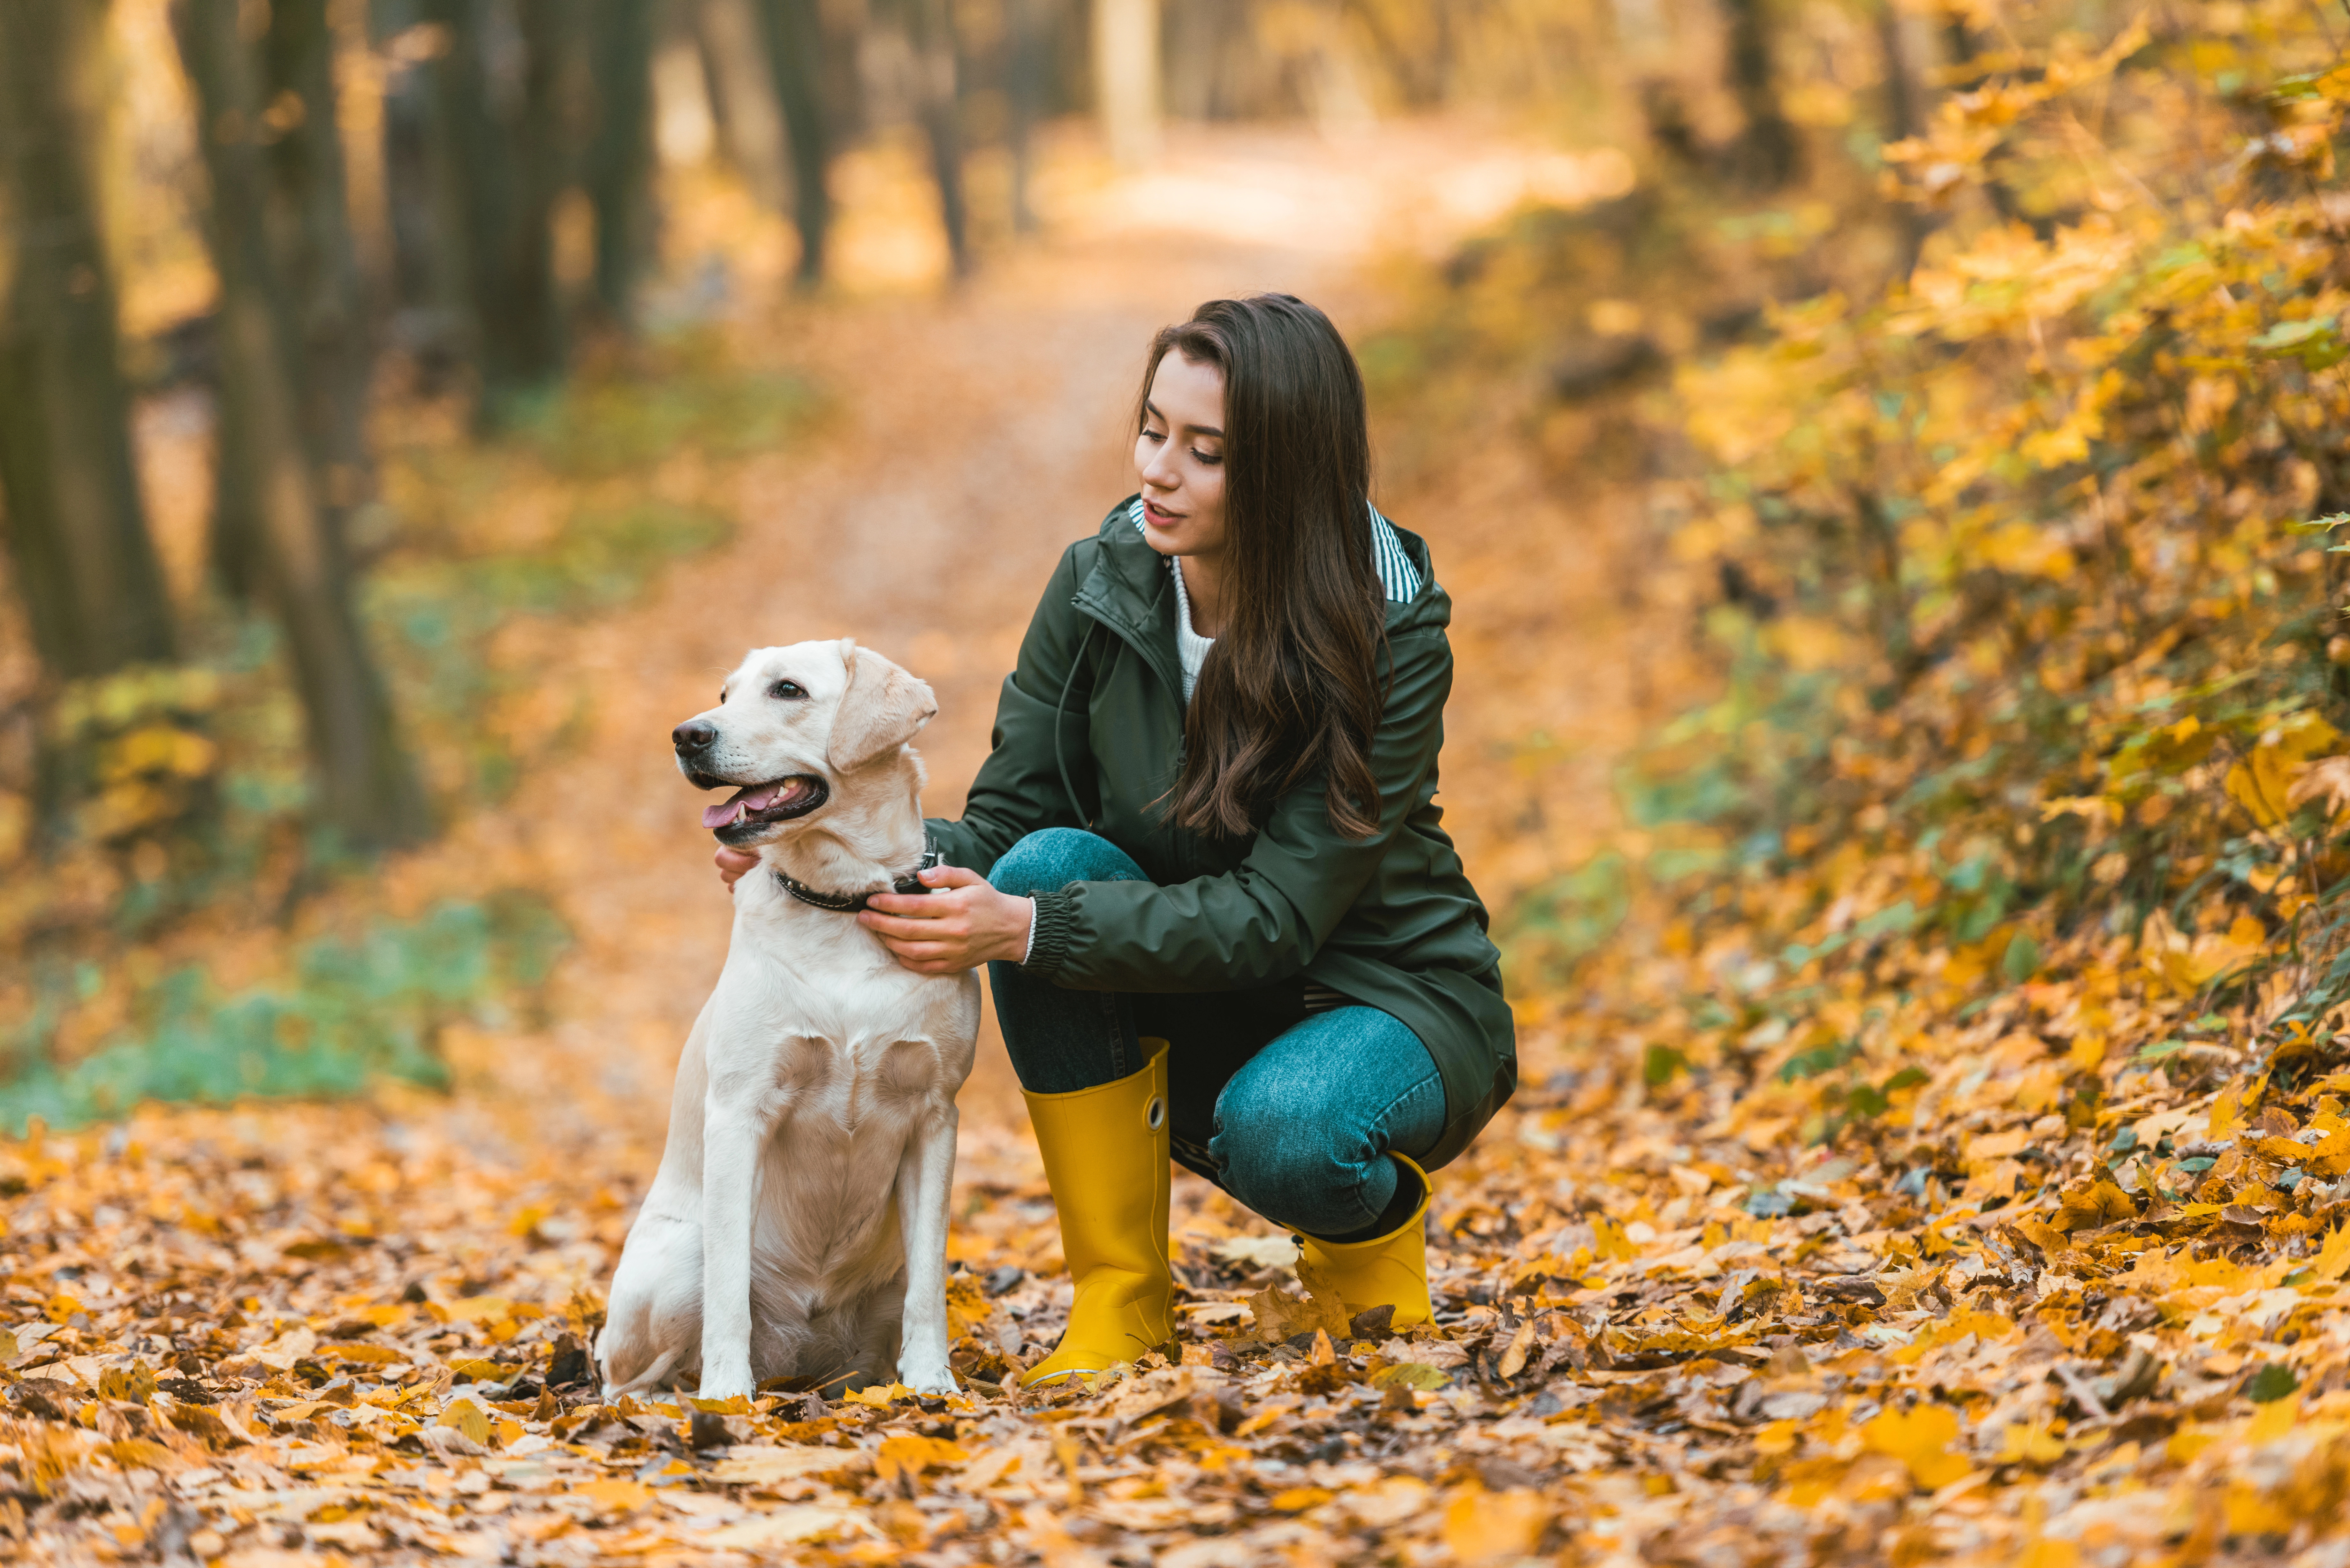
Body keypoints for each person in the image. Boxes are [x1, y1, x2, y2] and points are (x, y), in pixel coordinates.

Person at [716, 293, 1514, 1387]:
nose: (1160, 472)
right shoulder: (1101, 582)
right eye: (1152, 431)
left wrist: (1028, 930)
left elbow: (1281, 915)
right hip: (1191, 979)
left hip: (1386, 995)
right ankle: (1122, 1300)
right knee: (1043, 865)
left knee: (1286, 1125)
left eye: (1208, 452)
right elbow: (1005, 820)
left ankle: (1365, 1248)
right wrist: (826, 847)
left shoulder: (1381, 629)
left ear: (1286, 470)